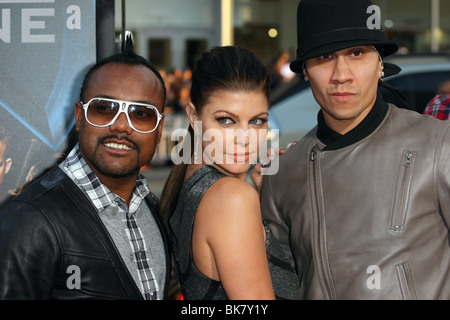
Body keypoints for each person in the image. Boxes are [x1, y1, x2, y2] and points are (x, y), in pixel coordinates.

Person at [261, 0, 450, 300]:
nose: (341, 74)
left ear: (380, 65)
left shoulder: (438, 145)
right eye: (324, 56)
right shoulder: (281, 175)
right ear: (306, 71)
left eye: (357, 53)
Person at [0, 38, 171, 299]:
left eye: (141, 113)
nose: (122, 126)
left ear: (158, 130)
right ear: (79, 117)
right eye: (104, 108)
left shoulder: (152, 208)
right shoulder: (30, 220)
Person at [159, 45, 300, 300]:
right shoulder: (232, 198)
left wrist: (263, 198)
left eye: (257, 120)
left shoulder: (190, 181)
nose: (244, 139)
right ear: (194, 116)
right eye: (226, 120)